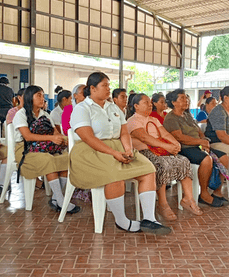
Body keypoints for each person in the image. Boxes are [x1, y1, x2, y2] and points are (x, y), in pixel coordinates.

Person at [70, 72, 171, 234]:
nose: (109, 89)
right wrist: (113, 153)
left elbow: (124, 132)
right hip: (90, 151)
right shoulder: (82, 108)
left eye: (109, 85)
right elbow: (88, 138)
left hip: (118, 147)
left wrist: (128, 149)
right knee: (115, 173)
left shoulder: (113, 107)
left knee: (148, 169)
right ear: (92, 88)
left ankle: (149, 219)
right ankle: (121, 221)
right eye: (105, 86)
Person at [128, 94, 203, 221]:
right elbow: (145, 138)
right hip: (143, 153)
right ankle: (162, 204)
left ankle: (188, 199)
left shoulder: (154, 119)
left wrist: (175, 144)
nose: (150, 104)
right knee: (161, 165)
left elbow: (165, 133)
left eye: (150, 102)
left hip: (160, 150)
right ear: (136, 106)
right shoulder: (132, 121)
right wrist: (167, 147)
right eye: (145, 102)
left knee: (184, 160)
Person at [13, 85, 78, 213]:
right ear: (29, 98)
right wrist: (51, 138)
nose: (42, 98)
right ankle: (61, 201)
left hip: (45, 147)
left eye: (43, 95)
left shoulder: (45, 115)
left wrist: (63, 139)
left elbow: (55, 133)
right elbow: (27, 136)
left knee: (66, 159)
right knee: (48, 160)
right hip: (25, 150)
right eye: (38, 95)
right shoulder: (21, 114)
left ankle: (55, 198)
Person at [163, 89, 229, 207]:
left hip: (197, 146)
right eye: (182, 98)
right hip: (184, 148)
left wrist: (204, 141)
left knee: (224, 157)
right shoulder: (171, 118)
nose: (186, 100)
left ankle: (217, 192)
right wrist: (200, 142)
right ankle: (203, 194)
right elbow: (180, 137)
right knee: (206, 159)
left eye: (186, 98)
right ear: (173, 102)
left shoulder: (187, 115)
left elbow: (199, 131)